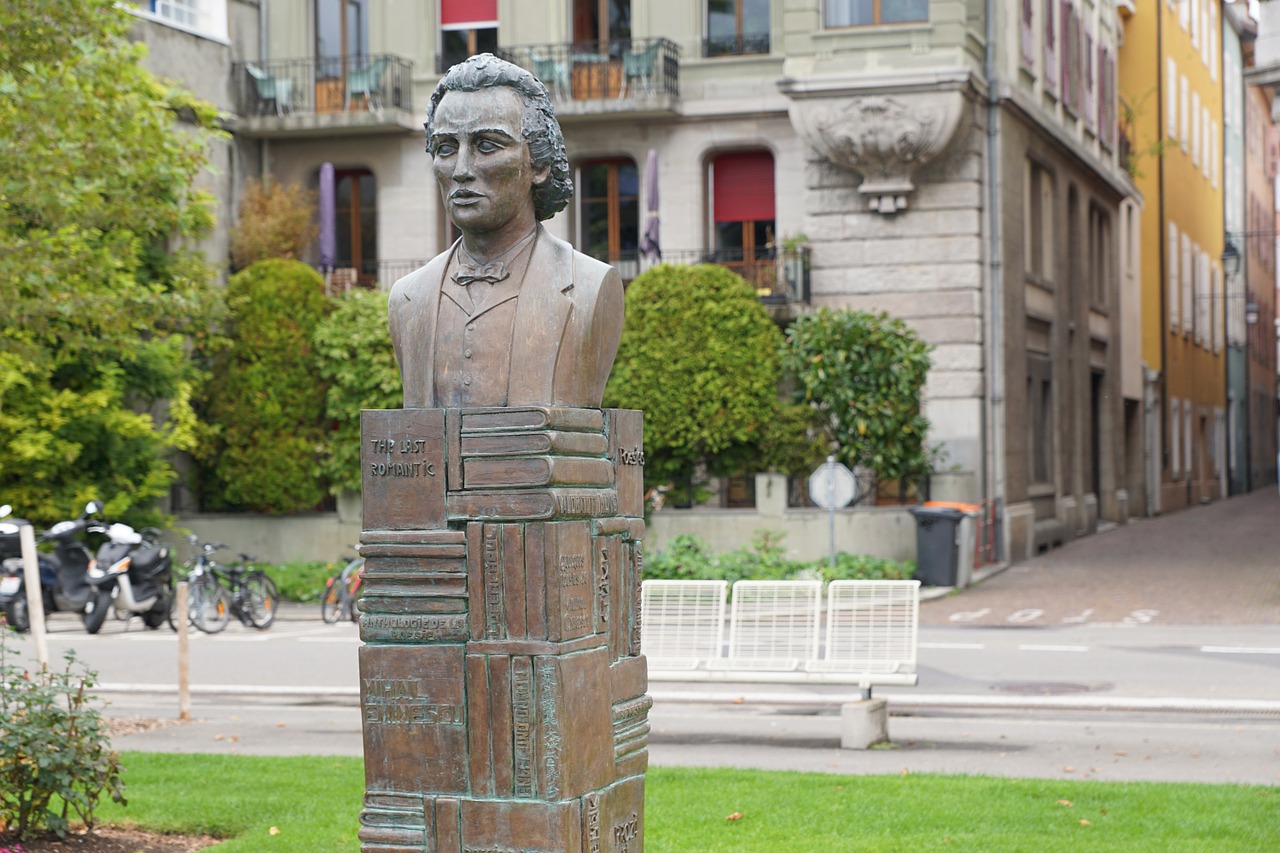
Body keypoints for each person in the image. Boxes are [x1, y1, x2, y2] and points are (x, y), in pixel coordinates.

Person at [389, 53, 624, 409]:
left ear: (539, 164)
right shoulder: (407, 298)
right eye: (446, 148)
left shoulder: (590, 286)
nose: (462, 169)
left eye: (487, 145)